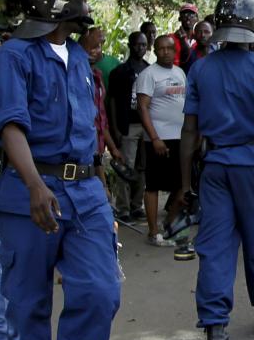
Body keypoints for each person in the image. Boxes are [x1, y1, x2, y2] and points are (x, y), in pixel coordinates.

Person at [0, 0, 124, 340]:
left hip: (86, 192)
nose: (87, 4)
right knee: (26, 299)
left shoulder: (78, 59)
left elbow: (88, 129)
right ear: (57, 5)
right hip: (32, 191)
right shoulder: (15, 55)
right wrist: (34, 184)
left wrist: (100, 182)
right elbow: (11, 125)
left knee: (100, 291)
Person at [178, 0, 254, 340]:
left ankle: (215, 331)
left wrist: (185, 184)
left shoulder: (200, 69)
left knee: (214, 246)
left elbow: (189, 131)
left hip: (214, 166)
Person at [136, 35, 187, 246]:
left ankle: (169, 224)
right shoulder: (149, 74)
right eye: (161, 49)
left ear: (175, 50)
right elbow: (142, 107)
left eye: (169, 48)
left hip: (180, 138)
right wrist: (154, 137)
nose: (165, 52)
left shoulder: (180, 72)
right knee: (153, 185)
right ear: (155, 51)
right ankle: (153, 232)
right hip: (158, 139)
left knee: (181, 185)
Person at [78, 28, 125, 197]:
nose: (94, 51)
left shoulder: (97, 76)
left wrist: (112, 148)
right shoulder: (74, 75)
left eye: (97, 47)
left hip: (96, 146)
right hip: (82, 148)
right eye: (90, 47)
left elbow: (100, 119)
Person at [107, 31, 149, 220]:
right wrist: (115, 128)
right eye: (137, 44)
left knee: (143, 167)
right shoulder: (120, 71)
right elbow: (112, 101)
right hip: (128, 125)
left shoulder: (150, 70)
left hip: (147, 126)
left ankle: (137, 205)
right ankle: (123, 208)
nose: (140, 48)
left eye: (144, 45)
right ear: (130, 45)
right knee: (125, 167)